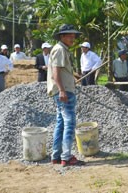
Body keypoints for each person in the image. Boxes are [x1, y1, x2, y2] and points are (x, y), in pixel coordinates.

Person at [47, 24, 82, 166]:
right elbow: (56, 72)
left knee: (61, 123)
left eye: (73, 35)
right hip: (64, 91)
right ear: (62, 36)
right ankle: (66, 157)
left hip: (64, 89)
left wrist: (72, 76)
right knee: (69, 123)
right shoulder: (60, 49)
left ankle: (56, 156)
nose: (72, 38)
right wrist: (62, 90)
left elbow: (62, 70)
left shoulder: (61, 49)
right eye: (69, 35)